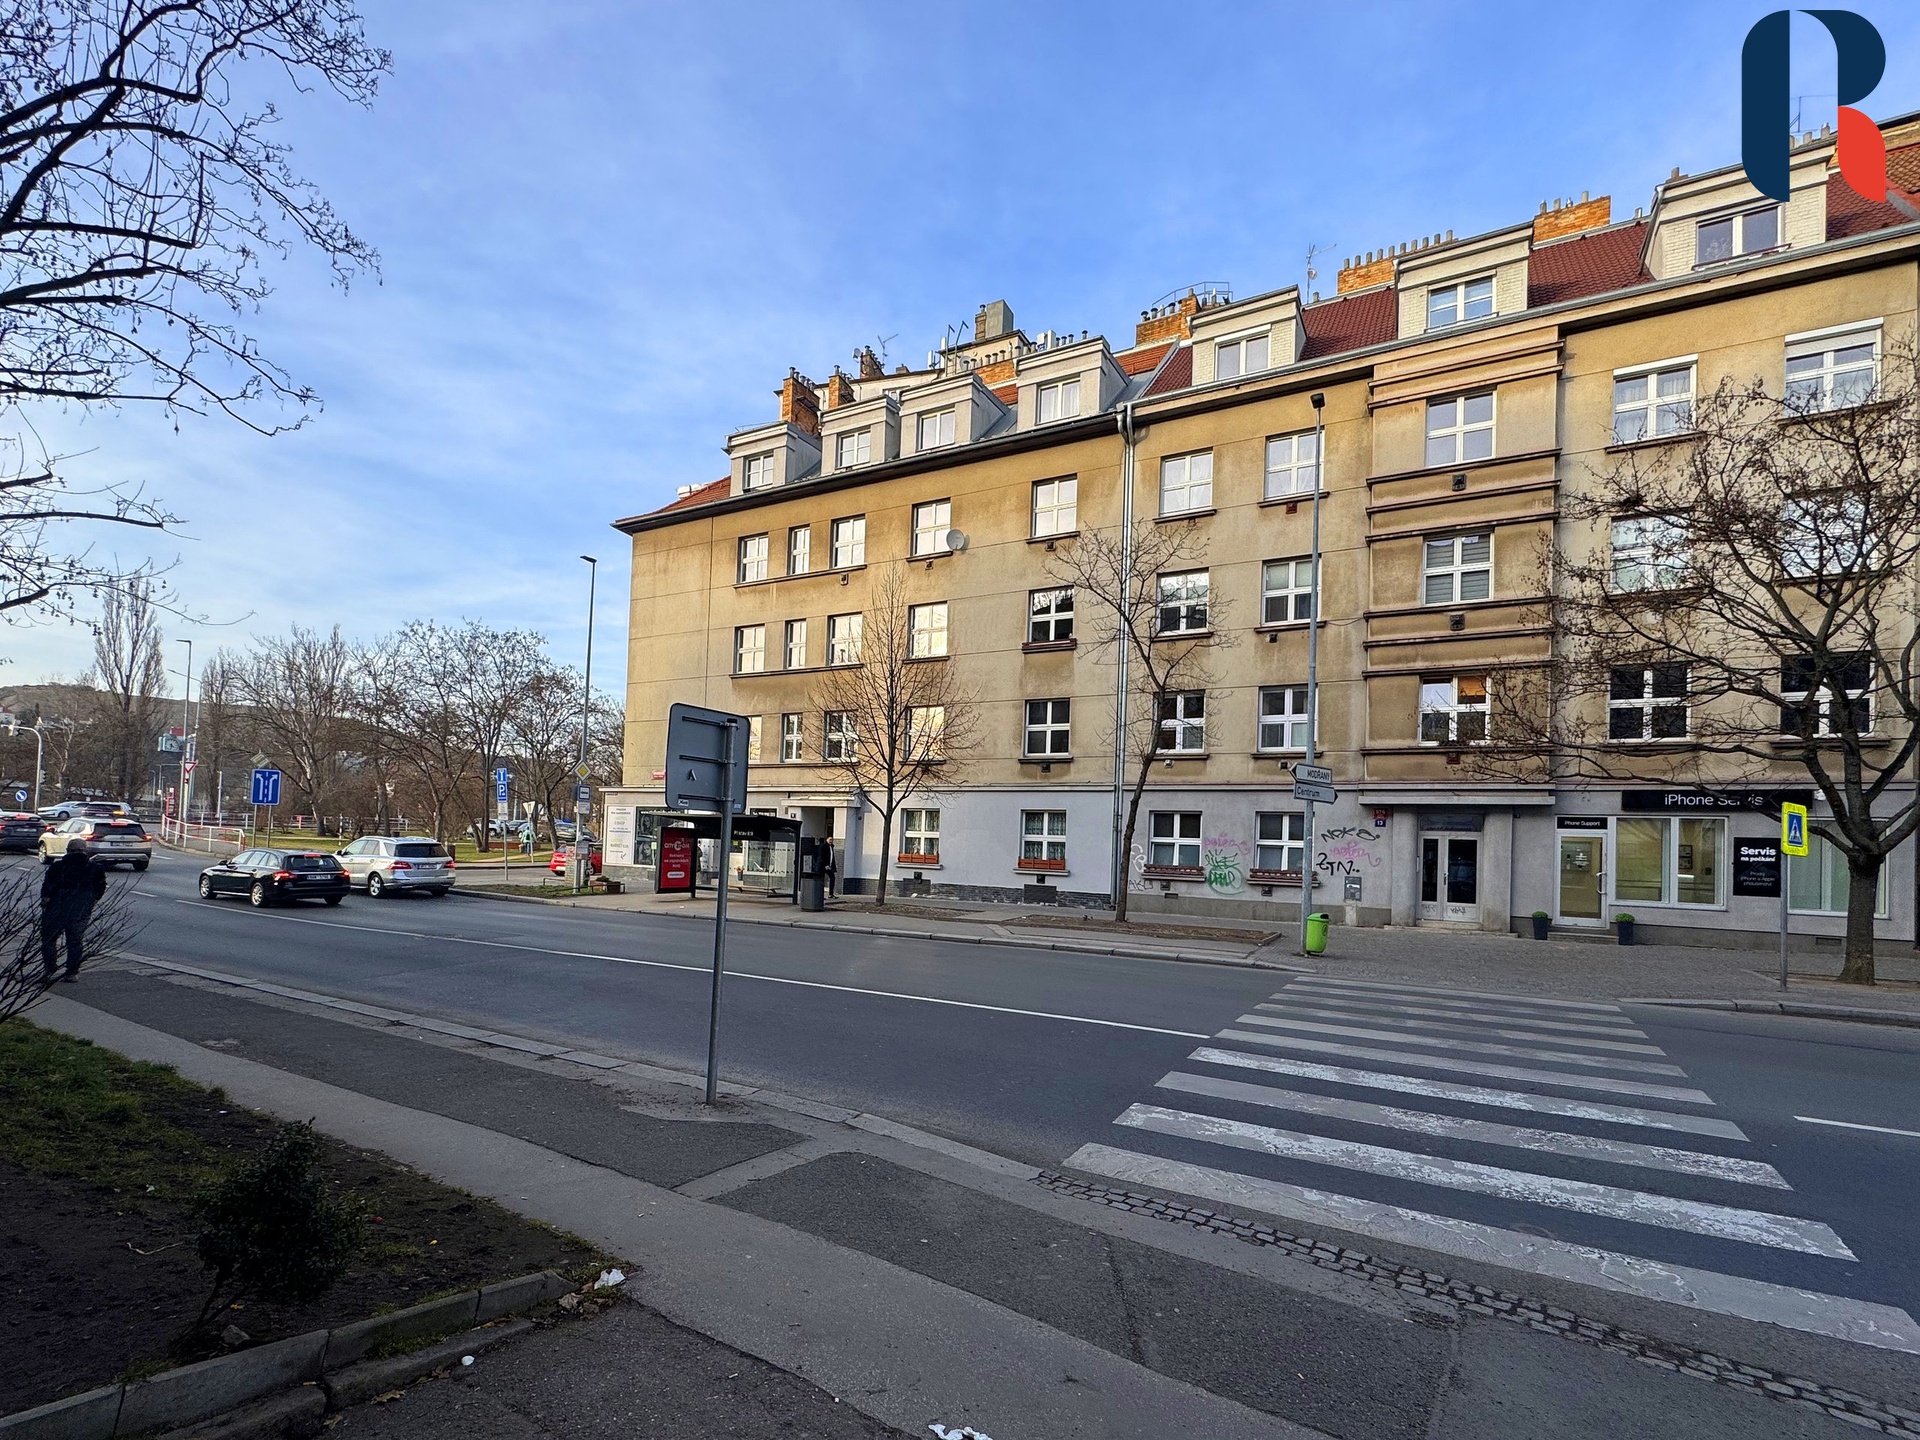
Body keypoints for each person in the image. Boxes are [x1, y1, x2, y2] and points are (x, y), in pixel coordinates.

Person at [41, 837, 106, 983]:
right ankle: (72, 972)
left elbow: (47, 888)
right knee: (75, 940)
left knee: (49, 939)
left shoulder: (58, 867)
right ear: (86, 851)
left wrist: (46, 903)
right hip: (81, 909)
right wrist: (90, 902)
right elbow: (99, 888)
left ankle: (50, 968)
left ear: (68, 851)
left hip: (57, 908)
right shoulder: (95, 868)